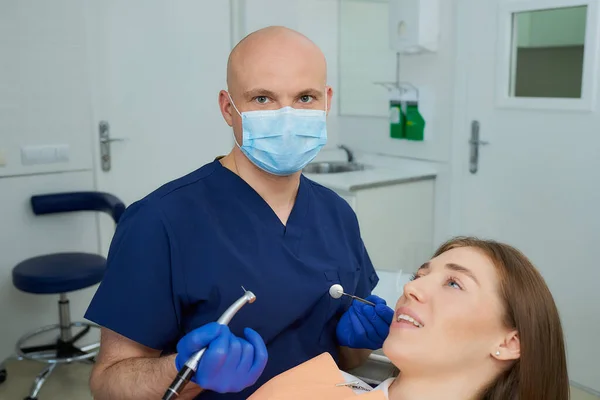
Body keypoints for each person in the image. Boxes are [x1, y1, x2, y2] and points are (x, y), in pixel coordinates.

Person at [84, 26, 394, 400]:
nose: (286, 116)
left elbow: (350, 359)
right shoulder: (160, 221)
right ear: (228, 108)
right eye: (262, 98)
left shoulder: (337, 214)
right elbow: (107, 384)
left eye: (305, 97)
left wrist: (357, 342)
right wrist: (187, 370)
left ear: (326, 101)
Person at [249, 236, 570, 400]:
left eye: (454, 283)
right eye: (420, 274)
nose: (412, 287)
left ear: (510, 342)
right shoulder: (301, 389)